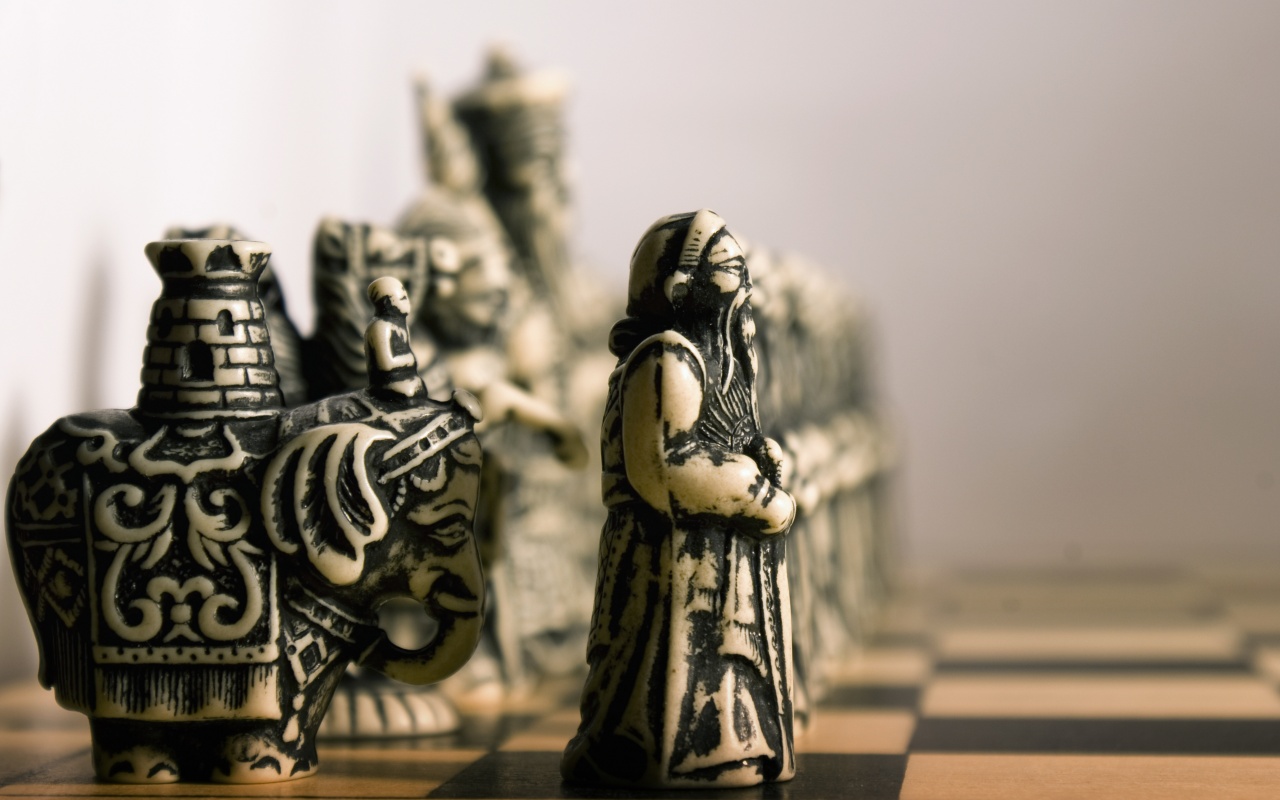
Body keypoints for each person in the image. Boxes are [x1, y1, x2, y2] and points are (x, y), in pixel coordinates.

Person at [561, 210, 797, 788]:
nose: (745, 286)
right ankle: (657, 753)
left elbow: (723, 439)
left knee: (722, 659)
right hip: (663, 554)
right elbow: (664, 468)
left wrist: (759, 453)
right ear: (680, 287)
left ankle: (724, 748)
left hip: (715, 554)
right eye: (730, 269)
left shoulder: (722, 359)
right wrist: (757, 492)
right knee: (659, 662)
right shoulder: (666, 358)